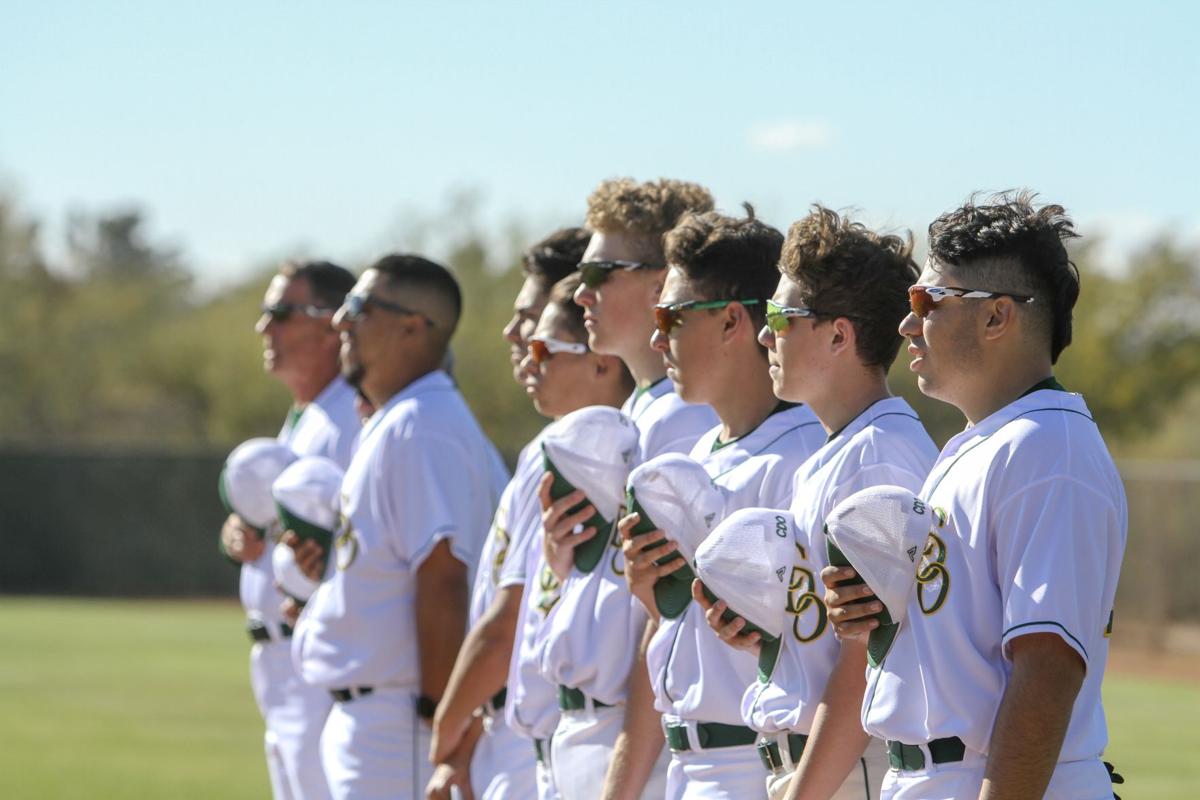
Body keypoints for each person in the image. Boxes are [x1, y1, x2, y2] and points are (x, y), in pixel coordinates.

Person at [823, 192, 1127, 800]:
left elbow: (1046, 668)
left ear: (996, 317)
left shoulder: (1048, 447)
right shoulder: (982, 444)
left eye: (926, 300)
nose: (907, 322)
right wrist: (878, 615)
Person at [698, 207, 937, 800]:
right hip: (820, 765)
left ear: (838, 335)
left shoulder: (877, 456)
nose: (763, 333)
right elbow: (838, 637)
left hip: (846, 769)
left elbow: (867, 663)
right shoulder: (842, 450)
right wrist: (773, 634)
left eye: (780, 316)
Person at [614, 206, 827, 798]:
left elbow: (835, 653)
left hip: (758, 766)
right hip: (687, 763)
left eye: (670, 315)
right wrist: (654, 602)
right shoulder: (701, 452)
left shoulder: (804, 458)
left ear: (734, 321)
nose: (657, 337)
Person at [290, 254, 509, 799]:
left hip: (400, 724)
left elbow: (442, 579)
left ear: (414, 327)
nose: (341, 321)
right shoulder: (403, 418)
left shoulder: (420, 426)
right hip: (377, 717)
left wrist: (438, 723)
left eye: (359, 307)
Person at [535, 177, 719, 800]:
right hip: (590, 730)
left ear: (659, 279)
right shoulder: (645, 409)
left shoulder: (686, 417)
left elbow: (663, 616)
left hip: (636, 742)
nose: (580, 292)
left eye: (601, 272)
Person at [424, 229, 592, 800]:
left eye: (529, 318)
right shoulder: (553, 445)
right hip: (522, 727)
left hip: (536, 739)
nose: (513, 334)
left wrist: (444, 737)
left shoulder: (569, 451)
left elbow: (508, 622)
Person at [218, 259, 358, 800]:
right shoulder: (308, 413)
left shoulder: (349, 416)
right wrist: (243, 534)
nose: (264, 327)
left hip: (319, 665)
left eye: (280, 312)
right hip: (279, 664)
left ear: (331, 323)